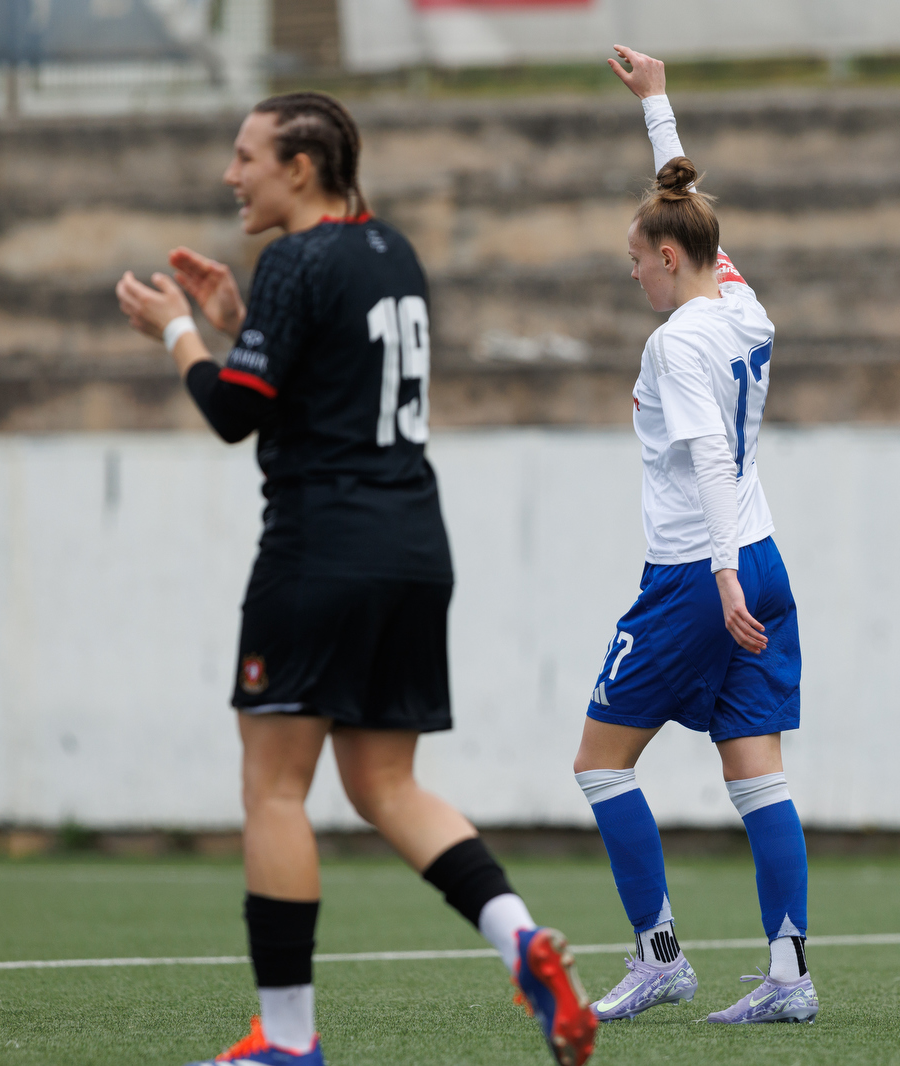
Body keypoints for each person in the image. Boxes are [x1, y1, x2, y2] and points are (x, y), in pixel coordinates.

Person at [114, 91, 596, 1066]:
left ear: (300, 168)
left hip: (318, 548)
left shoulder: (294, 255)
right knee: (386, 783)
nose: (229, 173)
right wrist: (240, 319)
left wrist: (180, 334)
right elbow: (324, 373)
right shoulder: (393, 252)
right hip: (414, 546)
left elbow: (235, 410)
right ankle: (520, 940)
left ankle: (286, 1042)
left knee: (276, 792)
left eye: (245, 155)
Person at [570, 46, 815, 1027]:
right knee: (758, 776)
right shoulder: (743, 306)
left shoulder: (674, 341)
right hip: (763, 556)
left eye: (636, 261)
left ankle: (658, 954)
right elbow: (690, 205)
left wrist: (714, 578)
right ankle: (788, 974)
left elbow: (710, 455)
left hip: (695, 574)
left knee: (599, 763)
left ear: (668, 259)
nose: (633, 274)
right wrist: (657, 107)